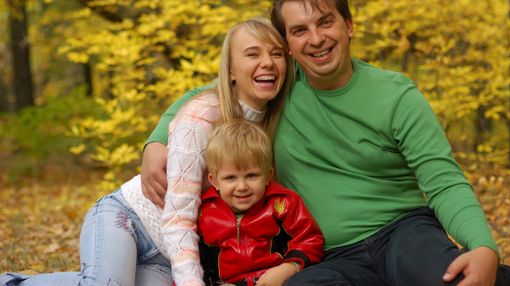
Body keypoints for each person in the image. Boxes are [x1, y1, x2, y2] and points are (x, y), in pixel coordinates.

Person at [140, 0, 510, 286]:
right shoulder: (281, 86)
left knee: (444, 277)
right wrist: (157, 140)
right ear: (288, 45)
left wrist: (484, 246)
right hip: (327, 255)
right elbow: (214, 91)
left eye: (326, 22)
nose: (316, 38)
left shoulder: (396, 95)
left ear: (349, 25)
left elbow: (443, 181)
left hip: (402, 230)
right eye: (300, 30)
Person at [0, 17, 294, 286]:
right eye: (253, 54)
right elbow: (179, 218)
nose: (267, 62)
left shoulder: (274, 120)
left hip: (169, 254)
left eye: (276, 53)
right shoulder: (199, 119)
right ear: (230, 70)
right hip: (129, 219)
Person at [197, 119, 324, 286]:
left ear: (268, 175)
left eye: (252, 176)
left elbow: (310, 239)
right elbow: (195, 261)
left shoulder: (283, 204)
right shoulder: (204, 212)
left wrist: (289, 268)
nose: (242, 186)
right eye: (230, 178)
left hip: (277, 279)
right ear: (214, 181)